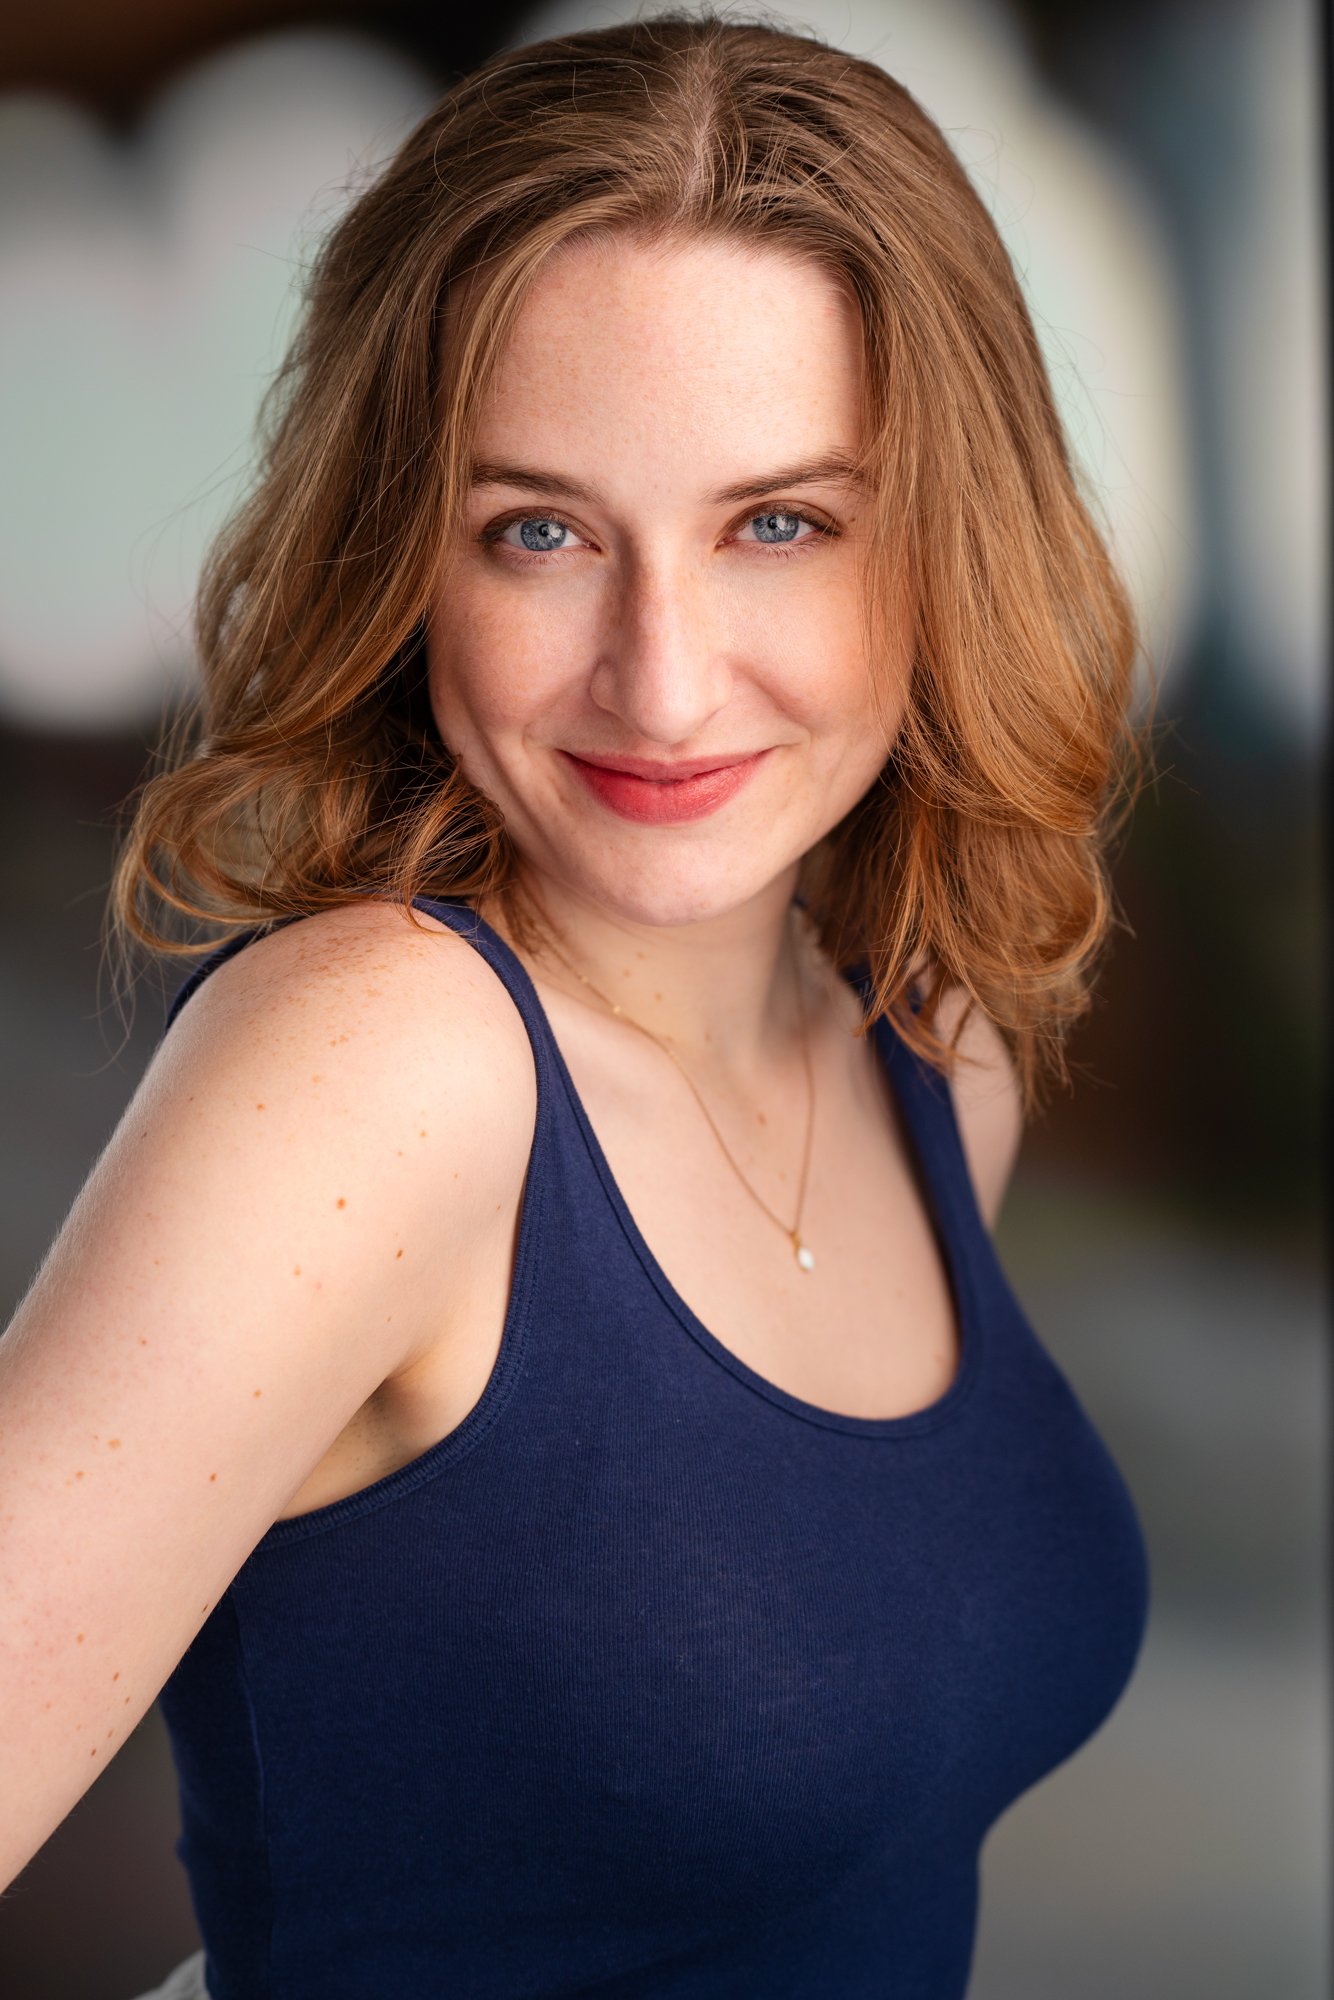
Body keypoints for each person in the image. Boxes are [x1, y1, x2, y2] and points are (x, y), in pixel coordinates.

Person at [1, 12, 1155, 1997]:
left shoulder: (924, 1048)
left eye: (777, 523)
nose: (663, 677)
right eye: (535, 529)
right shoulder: (384, 1065)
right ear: (406, 555)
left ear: (940, 541)